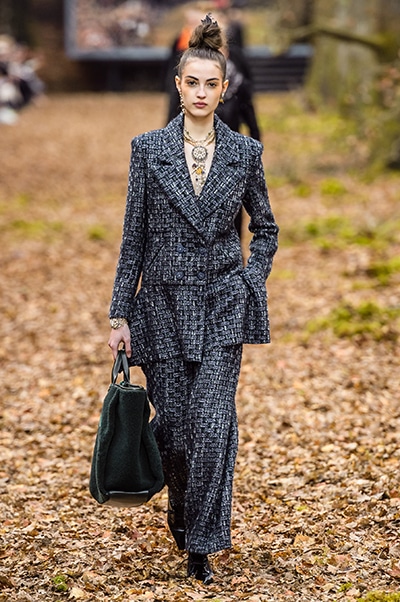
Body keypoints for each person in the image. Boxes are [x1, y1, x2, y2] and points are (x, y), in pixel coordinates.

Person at [108, 14, 278, 585]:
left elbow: (267, 228)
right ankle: (182, 508)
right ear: (178, 86)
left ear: (224, 89)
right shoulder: (148, 150)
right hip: (160, 306)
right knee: (177, 432)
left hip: (223, 304)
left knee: (211, 424)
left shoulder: (244, 154)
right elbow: (133, 236)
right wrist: (119, 312)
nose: (201, 92)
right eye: (192, 83)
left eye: (211, 84)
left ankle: (201, 545)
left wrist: (250, 281)